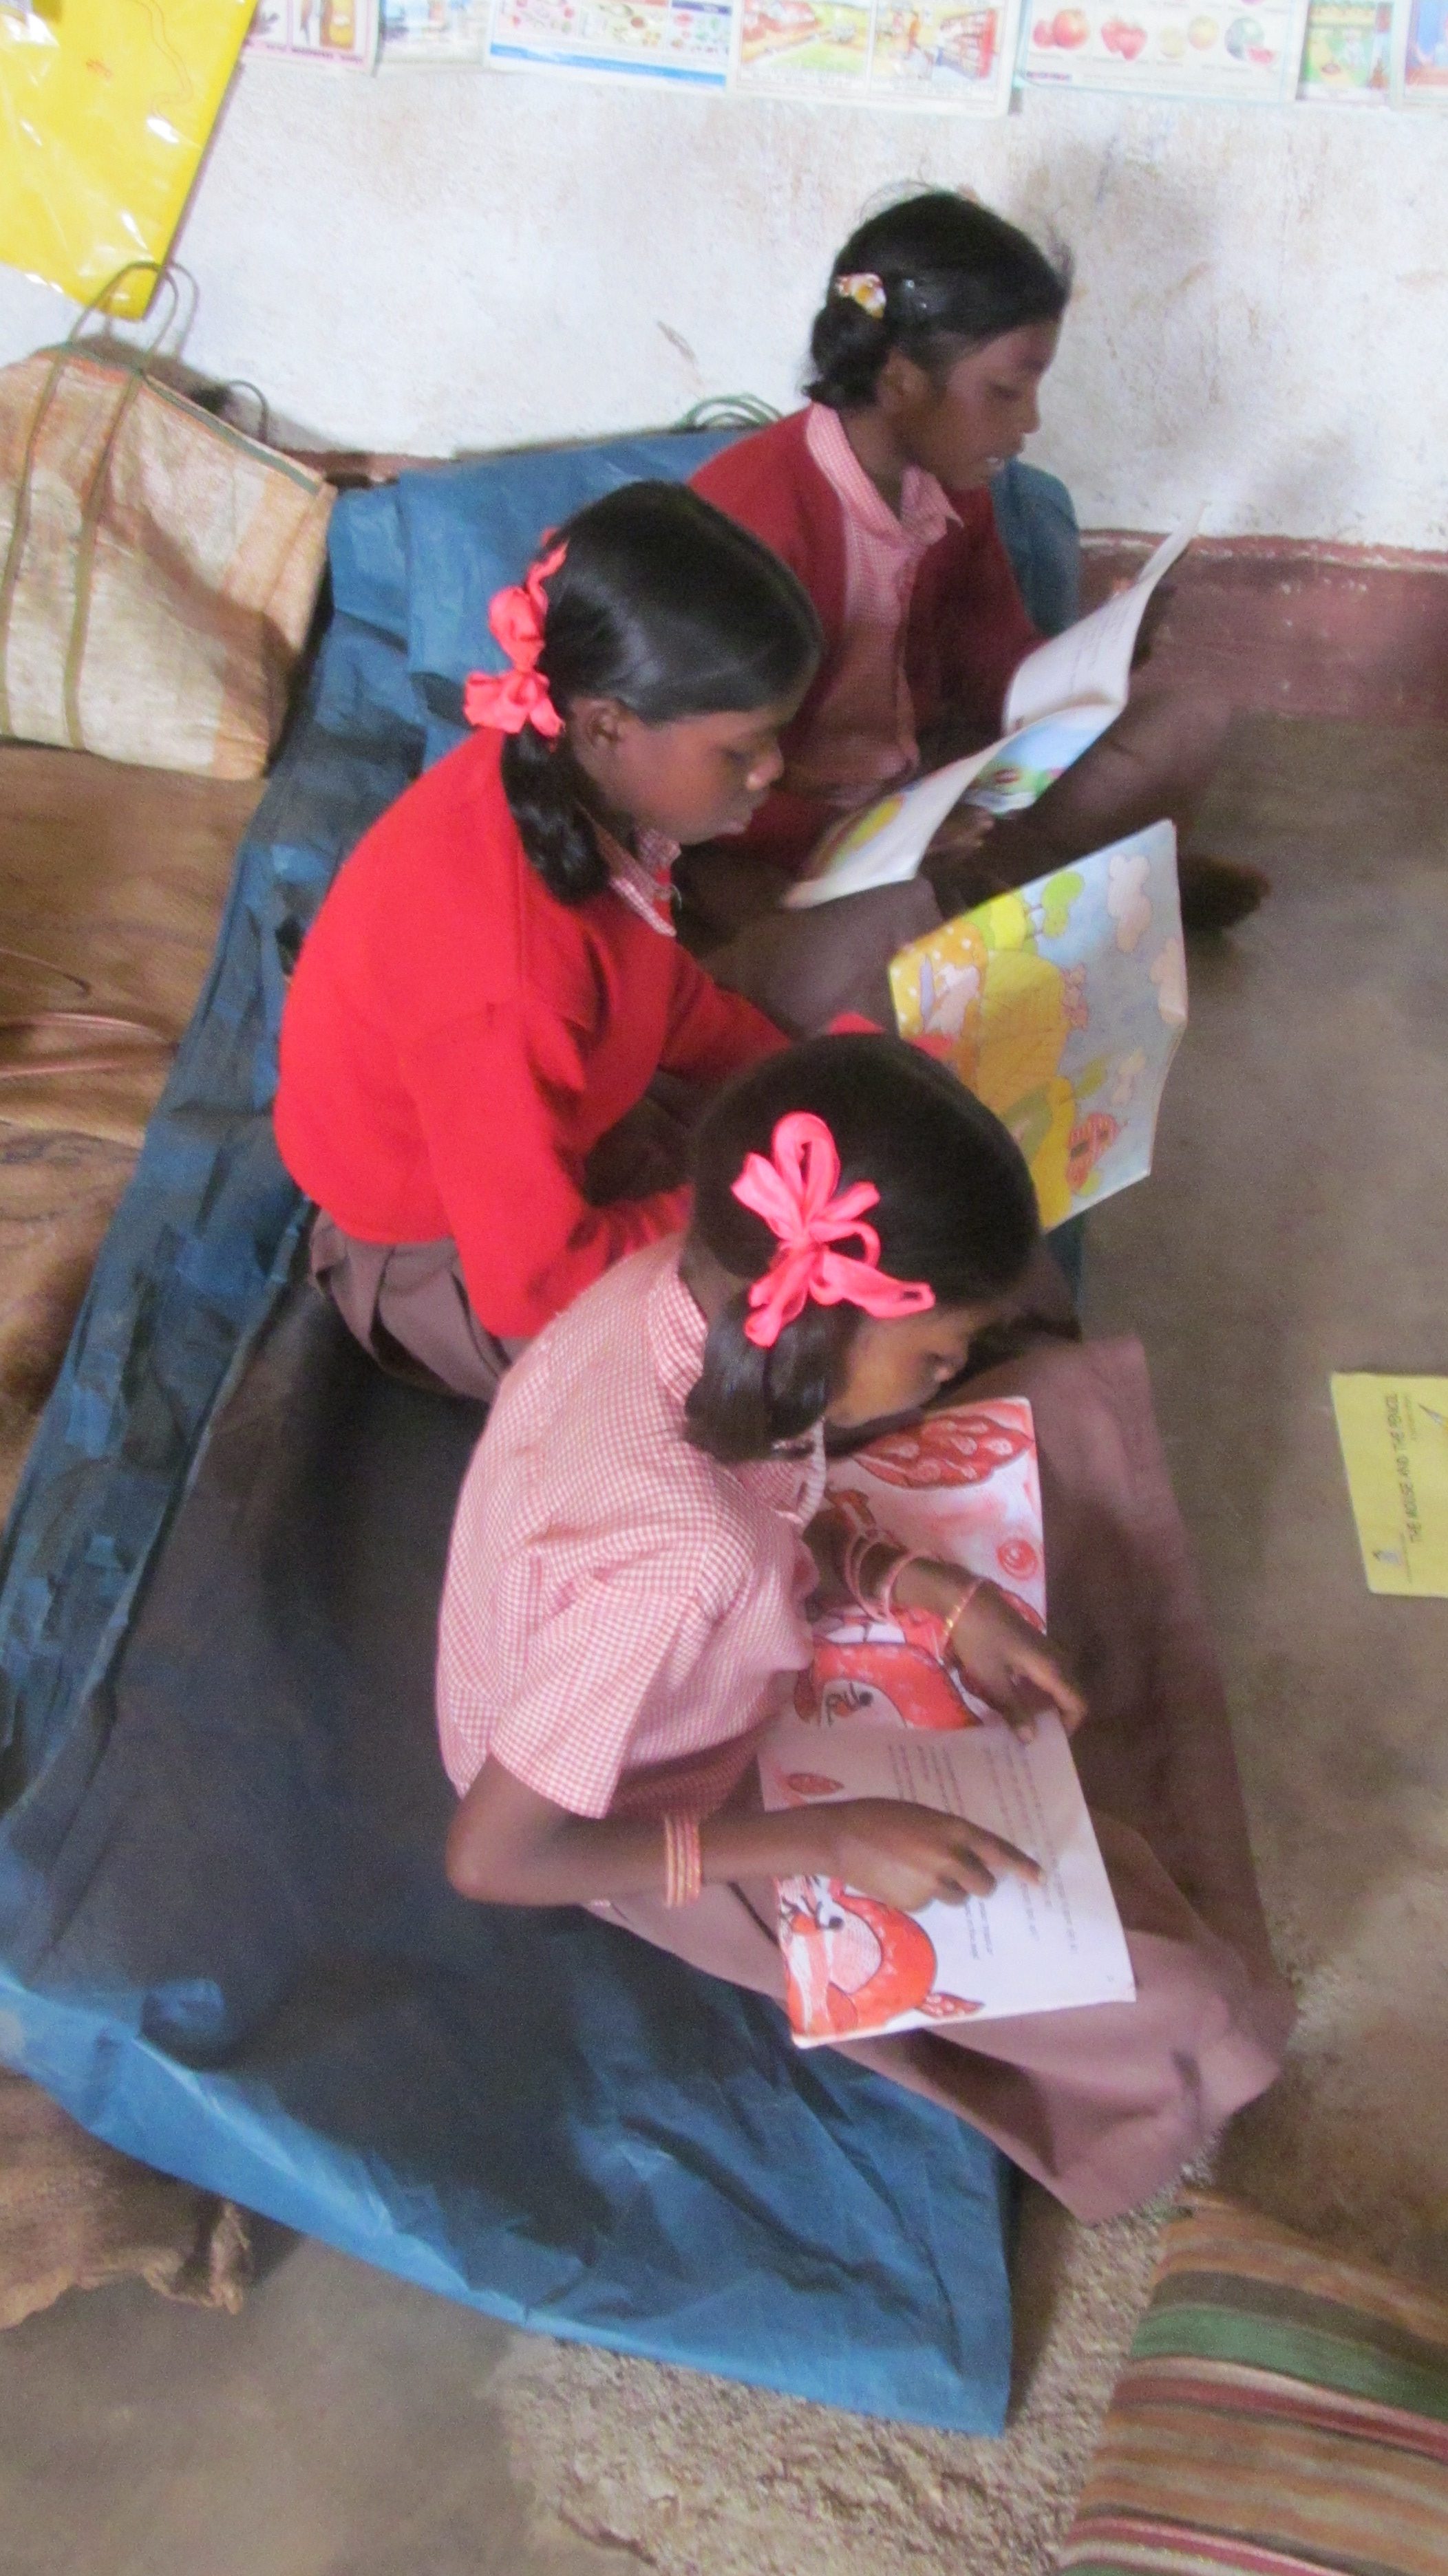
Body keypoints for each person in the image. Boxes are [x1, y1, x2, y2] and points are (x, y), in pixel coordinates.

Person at [438, 1035, 1290, 2222]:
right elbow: (493, 1855)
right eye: (935, 1352)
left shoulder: (687, 1284)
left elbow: (769, 1497)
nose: (944, 1376)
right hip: (629, 1808)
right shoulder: (682, 1563)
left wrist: (920, 1587)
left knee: (1048, 1450)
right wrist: (830, 1841)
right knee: (1179, 2001)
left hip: (669, 1643)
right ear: (823, 1315)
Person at [274, 482, 821, 1400]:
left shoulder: (567, 777)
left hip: (556, 1141)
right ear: (608, 724)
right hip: (448, 1261)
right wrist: (751, 1213)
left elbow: (662, 989)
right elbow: (532, 1286)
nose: (773, 771)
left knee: (830, 1157)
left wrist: (795, 1077)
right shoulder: (508, 978)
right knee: (779, 1363)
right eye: (743, 749)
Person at [686, 189, 1267, 955]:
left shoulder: (954, 489)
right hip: (775, 832)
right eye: (1004, 390)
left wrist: (1104, 649)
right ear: (899, 380)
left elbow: (997, 673)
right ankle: (1064, 893)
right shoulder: (753, 515)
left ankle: (1018, 896)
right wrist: (844, 835)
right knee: (798, 942)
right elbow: (699, 774)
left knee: (1188, 724)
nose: (1028, 421)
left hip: (923, 802)